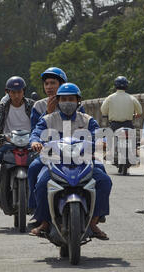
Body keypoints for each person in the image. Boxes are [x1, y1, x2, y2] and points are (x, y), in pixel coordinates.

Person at [29, 83, 112, 240]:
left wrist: (103, 141)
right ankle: (44, 221)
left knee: (105, 181)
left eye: (71, 99)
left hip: (83, 161)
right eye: (64, 99)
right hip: (54, 161)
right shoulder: (48, 119)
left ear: (78, 101)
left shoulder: (87, 120)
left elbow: (99, 133)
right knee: (41, 184)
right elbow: (36, 133)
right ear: (58, 101)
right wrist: (35, 142)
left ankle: (94, 221)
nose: (67, 102)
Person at [0, 76, 35, 207]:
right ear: (8, 92)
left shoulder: (31, 105)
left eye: (19, 91)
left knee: (43, 162)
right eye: (13, 92)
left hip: (30, 144)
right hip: (9, 143)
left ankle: (39, 197)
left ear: (24, 91)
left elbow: (39, 122)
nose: (16, 95)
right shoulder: (3, 106)